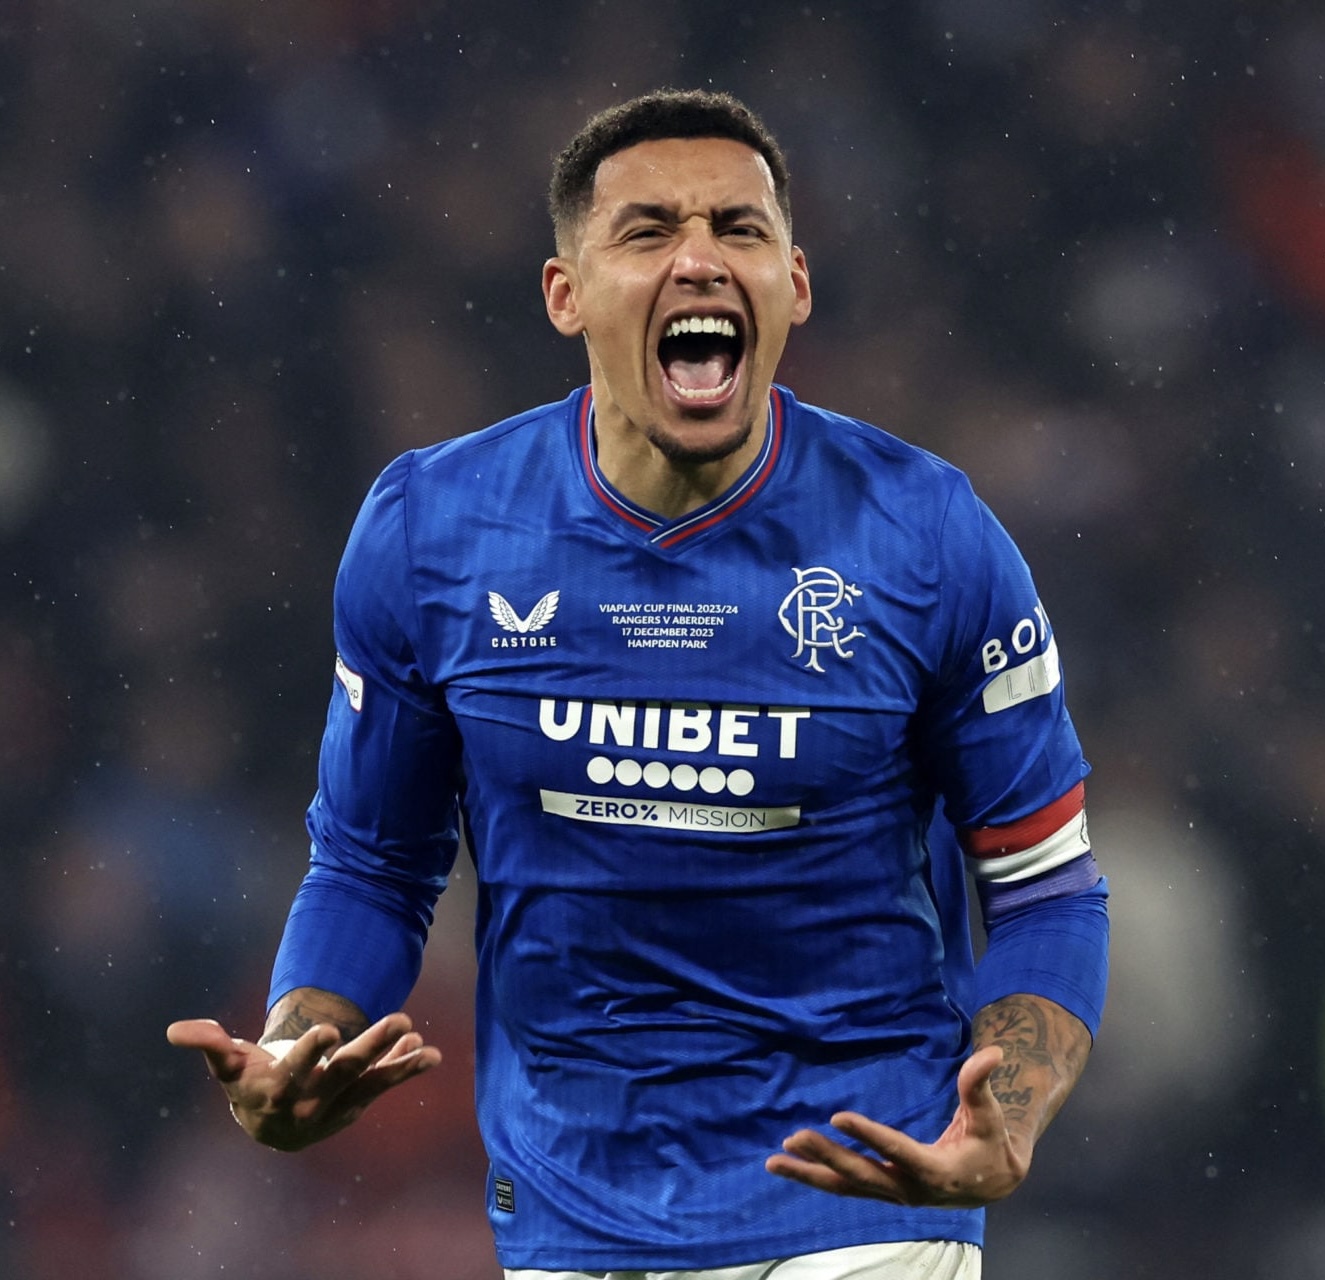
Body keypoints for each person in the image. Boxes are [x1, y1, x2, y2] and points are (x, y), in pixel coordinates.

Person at [168, 88, 1108, 1280]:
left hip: (861, 1203)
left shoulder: (925, 535)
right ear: (565, 293)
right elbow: (372, 863)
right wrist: (298, 1039)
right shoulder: (432, 530)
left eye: (739, 228)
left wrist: (1007, 1113)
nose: (699, 259)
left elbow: (1042, 886)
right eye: (649, 229)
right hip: (571, 1215)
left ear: (794, 285)